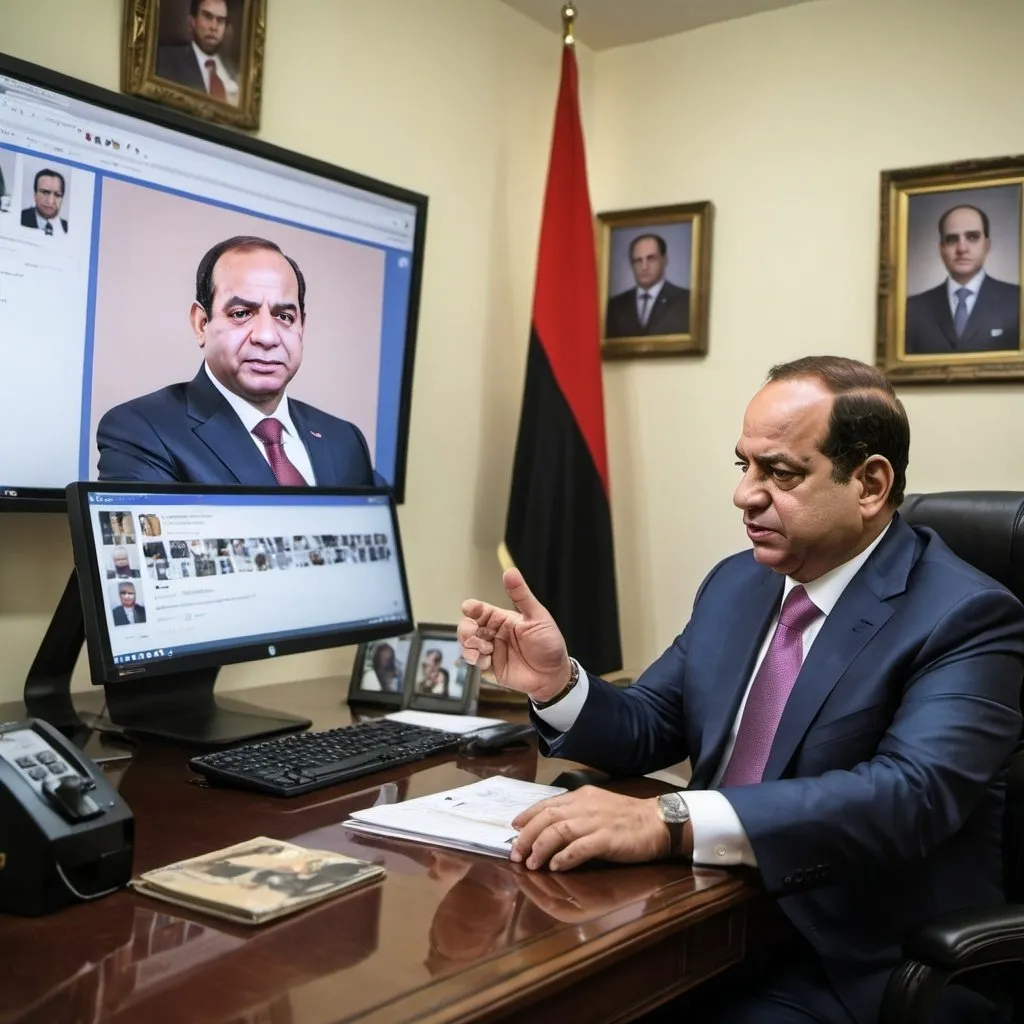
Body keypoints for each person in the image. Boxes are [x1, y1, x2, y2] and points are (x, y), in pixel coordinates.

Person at [458, 355, 1024, 1024]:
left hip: (847, 962)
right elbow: (649, 723)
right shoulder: (738, 582)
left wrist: (671, 820)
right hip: (705, 920)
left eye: (780, 472)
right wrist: (558, 684)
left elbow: (909, 795)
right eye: (744, 466)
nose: (745, 495)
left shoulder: (967, 614)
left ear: (871, 483)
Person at [96, 236, 383, 487]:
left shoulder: (344, 440)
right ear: (201, 323)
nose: (267, 337)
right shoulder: (142, 430)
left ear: (301, 327)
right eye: (242, 313)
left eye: (284, 317)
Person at [905, 204, 1020, 354]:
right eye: (952, 239)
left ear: (987, 245)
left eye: (972, 237)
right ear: (941, 248)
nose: (962, 248)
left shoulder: (1017, 300)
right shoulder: (913, 308)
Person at [604, 233, 690, 338]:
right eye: (638, 260)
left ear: (664, 260)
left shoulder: (685, 301)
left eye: (651, 259)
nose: (644, 267)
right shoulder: (614, 306)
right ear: (632, 264)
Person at [156, 0, 240, 106]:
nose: (214, 27)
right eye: (207, 17)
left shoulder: (235, 74)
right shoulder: (165, 60)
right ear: (192, 21)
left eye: (220, 20)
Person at [20, 168, 68, 234]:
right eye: (45, 192)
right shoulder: (19, 218)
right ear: (35, 195)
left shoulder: (70, 229)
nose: (50, 201)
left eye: (57, 195)